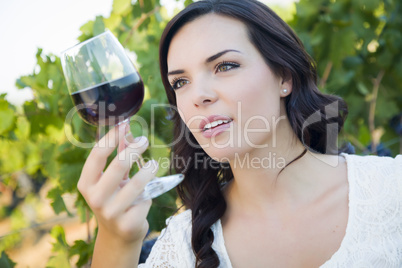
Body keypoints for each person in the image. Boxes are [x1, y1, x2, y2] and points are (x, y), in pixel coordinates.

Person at [77, 0, 402, 267]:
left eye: (225, 66)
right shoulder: (182, 249)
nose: (197, 95)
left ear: (284, 77)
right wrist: (118, 241)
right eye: (180, 82)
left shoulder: (393, 191)